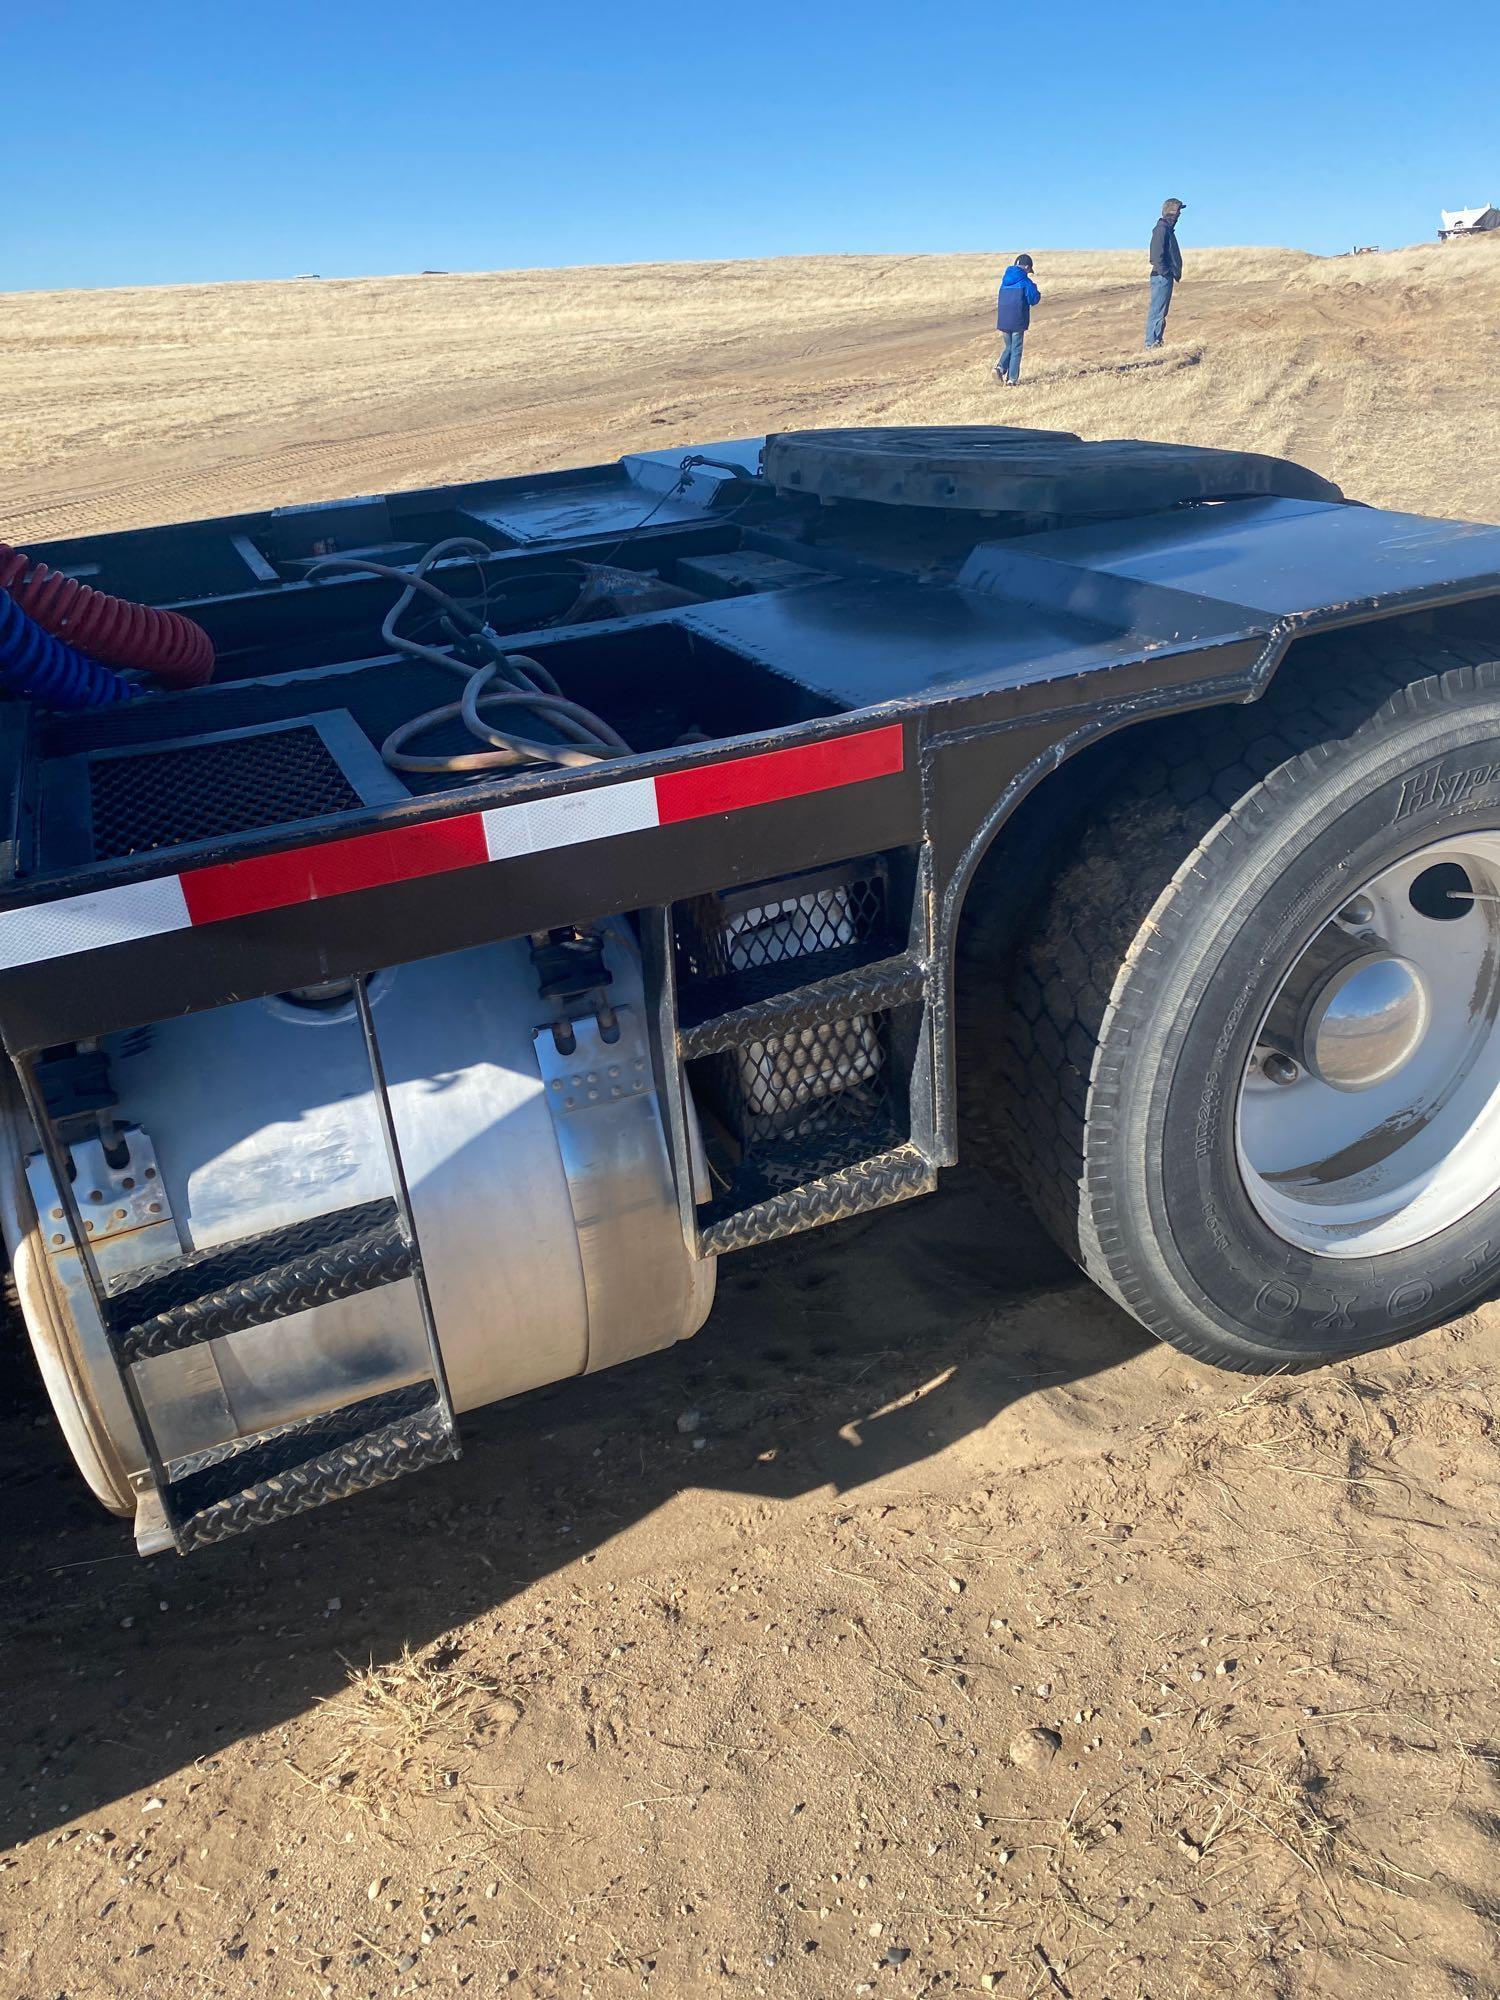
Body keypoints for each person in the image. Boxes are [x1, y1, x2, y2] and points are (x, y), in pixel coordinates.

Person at [994, 254, 1040, 385]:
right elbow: (1034, 299)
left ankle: (1000, 368)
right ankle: (1011, 380)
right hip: (1017, 319)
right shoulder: (1025, 281)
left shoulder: (1005, 280)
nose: (1028, 273)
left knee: (1009, 346)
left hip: (1003, 319)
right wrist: (1035, 288)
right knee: (1016, 348)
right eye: (1029, 270)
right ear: (1026, 267)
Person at [1145, 199, 1185, 349]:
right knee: (1158, 311)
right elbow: (1156, 256)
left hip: (1164, 276)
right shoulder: (1161, 229)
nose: (1179, 214)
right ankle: (1152, 343)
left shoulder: (1166, 229)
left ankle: (1156, 341)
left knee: (1161, 311)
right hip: (1161, 277)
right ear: (1172, 212)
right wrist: (1166, 272)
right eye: (1178, 211)